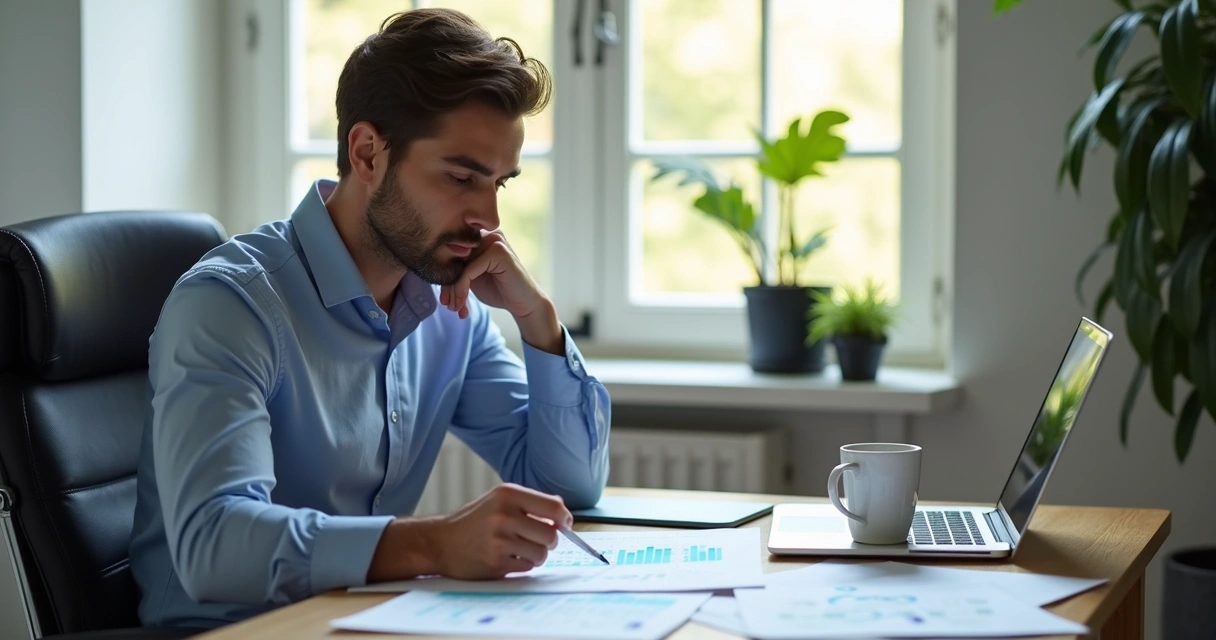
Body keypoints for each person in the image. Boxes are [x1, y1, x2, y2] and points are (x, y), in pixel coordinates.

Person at [128, 7, 610, 629]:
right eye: (462, 176)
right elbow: (215, 544)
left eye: (501, 184)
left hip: (362, 621)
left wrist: (537, 319)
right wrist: (435, 544)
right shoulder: (231, 304)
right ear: (367, 153)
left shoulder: (449, 308)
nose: (487, 217)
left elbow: (567, 489)